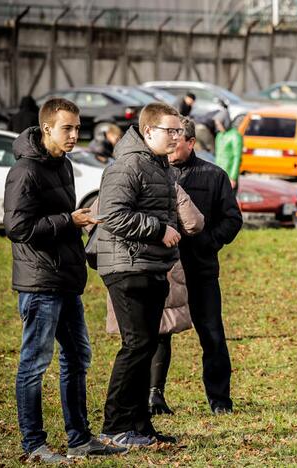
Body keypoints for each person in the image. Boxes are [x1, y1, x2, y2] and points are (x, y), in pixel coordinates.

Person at [3, 98, 126, 462]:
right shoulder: (25, 171)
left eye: (77, 128)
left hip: (65, 279)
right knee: (34, 363)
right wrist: (68, 221)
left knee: (77, 357)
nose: (74, 135)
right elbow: (17, 228)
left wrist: (78, 226)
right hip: (39, 282)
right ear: (46, 129)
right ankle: (34, 445)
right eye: (67, 128)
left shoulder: (64, 165)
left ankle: (79, 439)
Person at [96, 103, 183, 448]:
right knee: (135, 346)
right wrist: (158, 229)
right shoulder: (129, 164)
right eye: (170, 131)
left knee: (146, 346)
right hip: (126, 266)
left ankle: (140, 426)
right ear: (148, 131)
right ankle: (114, 426)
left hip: (151, 265)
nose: (176, 137)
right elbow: (112, 215)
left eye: (179, 131)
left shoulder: (158, 164)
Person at [88, 183, 205, 416]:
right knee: (159, 334)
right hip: (162, 263)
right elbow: (193, 223)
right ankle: (153, 393)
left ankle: (131, 400)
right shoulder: (167, 184)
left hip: (123, 262)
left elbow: (94, 219)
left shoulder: (120, 180)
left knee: (133, 338)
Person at [169, 116, 244, 414]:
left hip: (201, 269)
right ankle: (154, 396)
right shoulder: (155, 173)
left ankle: (219, 398)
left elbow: (232, 219)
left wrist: (209, 241)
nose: (171, 149)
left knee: (212, 334)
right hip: (164, 269)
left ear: (191, 143)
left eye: (177, 144)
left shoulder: (213, 176)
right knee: (158, 336)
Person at [214, 115, 244, 195]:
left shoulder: (235, 136)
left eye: (219, 124)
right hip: (218, 174)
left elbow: (237, 158)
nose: (217, 126)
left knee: (229, 201)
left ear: (225, 123)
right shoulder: (219, 136)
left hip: (229, 174)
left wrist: (233, 177)